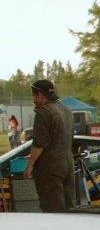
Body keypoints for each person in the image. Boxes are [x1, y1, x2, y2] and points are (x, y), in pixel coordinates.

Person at [23, 80, 76, 213]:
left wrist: (29, 165)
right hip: (68, 165)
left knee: (53, 210)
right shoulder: (66, 110)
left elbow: (39, 143)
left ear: (40, 95)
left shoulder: (44, 112)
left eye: (34, 96)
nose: (34, 100)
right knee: (68, 208)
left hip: (50, 168)